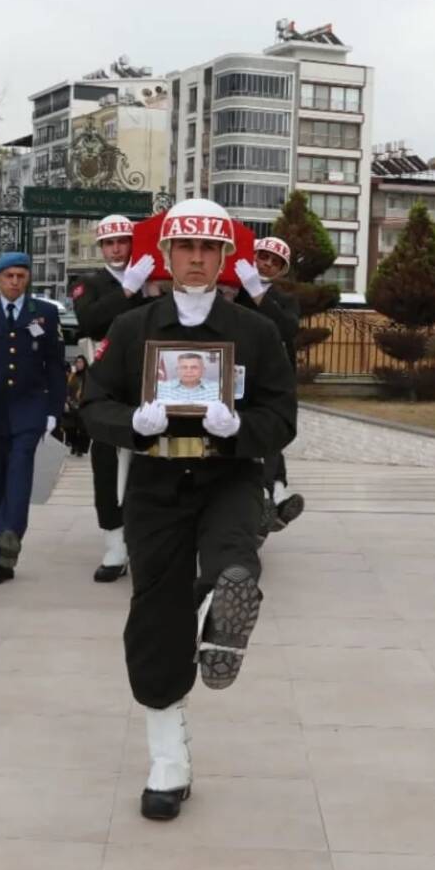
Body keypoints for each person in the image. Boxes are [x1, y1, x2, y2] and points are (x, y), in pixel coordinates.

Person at [81, 199, 297, 821]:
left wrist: (239, 427)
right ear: (168, 255)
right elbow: (95, 404)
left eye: (209, 249)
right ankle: (167, 759)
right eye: (185, 248)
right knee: (156, 613)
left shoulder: (255, 332)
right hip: (154, 483)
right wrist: (133, 424)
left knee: (235, 557)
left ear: (226, 257)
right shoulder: (133, 328)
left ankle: (224, 614)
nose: (197, 259)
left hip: (228, 475)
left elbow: (281, 417)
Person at [0, 251, 66, 586]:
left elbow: (55, 366)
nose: (15, 282)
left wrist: (54, 411)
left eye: (21, 276)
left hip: (29, 409)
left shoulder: (45, 314)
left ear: (28, 279)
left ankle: (10, 531)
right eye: (9, 276)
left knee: (20, 471)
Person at [70, 214, 155, 583]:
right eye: (109, 243)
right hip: (106, 385)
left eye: (122, 241)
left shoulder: (152, 281)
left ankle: (146, 537)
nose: (116, 248)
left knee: (148, 462)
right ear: (100, 247)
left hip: (146, 383)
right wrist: (127, 291)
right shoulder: (89, 283)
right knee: (106, 463)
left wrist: (151, 290)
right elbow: (89, 322)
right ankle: (114, 542)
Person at [234, 236, 305, 533]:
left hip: (271, 374)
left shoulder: (284, 299)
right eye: (263, 256)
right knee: (248, 435)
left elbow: (286, 328)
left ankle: (273, 495)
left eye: (275, 262)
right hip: (237, 372)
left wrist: (257, 293)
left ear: (281, 271)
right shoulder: (233, 290)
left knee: (272, 433)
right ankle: (273, 496)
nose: (267, 264)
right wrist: (244, 289)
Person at [156, 351, 221, 403]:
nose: (189, 371)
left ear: (203, 370)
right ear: (177, 370)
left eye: (194, 367)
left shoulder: (217, 389)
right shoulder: (162, 389)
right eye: (184, 367)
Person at [62, 354, 91, 456]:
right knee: (70, 428)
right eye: (77, 362)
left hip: (84, 406)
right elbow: (67, 389)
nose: (79, 364)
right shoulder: (72, 376)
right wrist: (66, 400)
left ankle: (80, 449)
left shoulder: (89, 376)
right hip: (71, 405)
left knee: (83, 430)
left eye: (81, 362)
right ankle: (74, 445)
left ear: (84, 363)